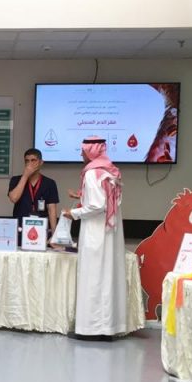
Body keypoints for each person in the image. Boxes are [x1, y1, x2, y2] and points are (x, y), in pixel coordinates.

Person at [62, 136, 126, 340]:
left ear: (90, 151)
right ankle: (107, 328)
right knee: (106, 279)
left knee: (93, 278)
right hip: (109, 235)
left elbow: (97, 206)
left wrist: (73, 213)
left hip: (95, 234)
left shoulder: (92, 173)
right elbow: (107, 200)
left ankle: (90, 330)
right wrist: (81, 196)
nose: (81, 154)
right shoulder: (110, 171)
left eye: (83, 150)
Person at [7, 147, 59, 232]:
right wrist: (25, 176)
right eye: (27, 161)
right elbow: (14, 198)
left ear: (41, 162)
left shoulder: (50, 183)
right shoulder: (15, 180)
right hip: (20, 227)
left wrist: (54, 233)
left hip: (41, 227)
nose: (29, 164)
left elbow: (52, 209)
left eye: (33, 160)